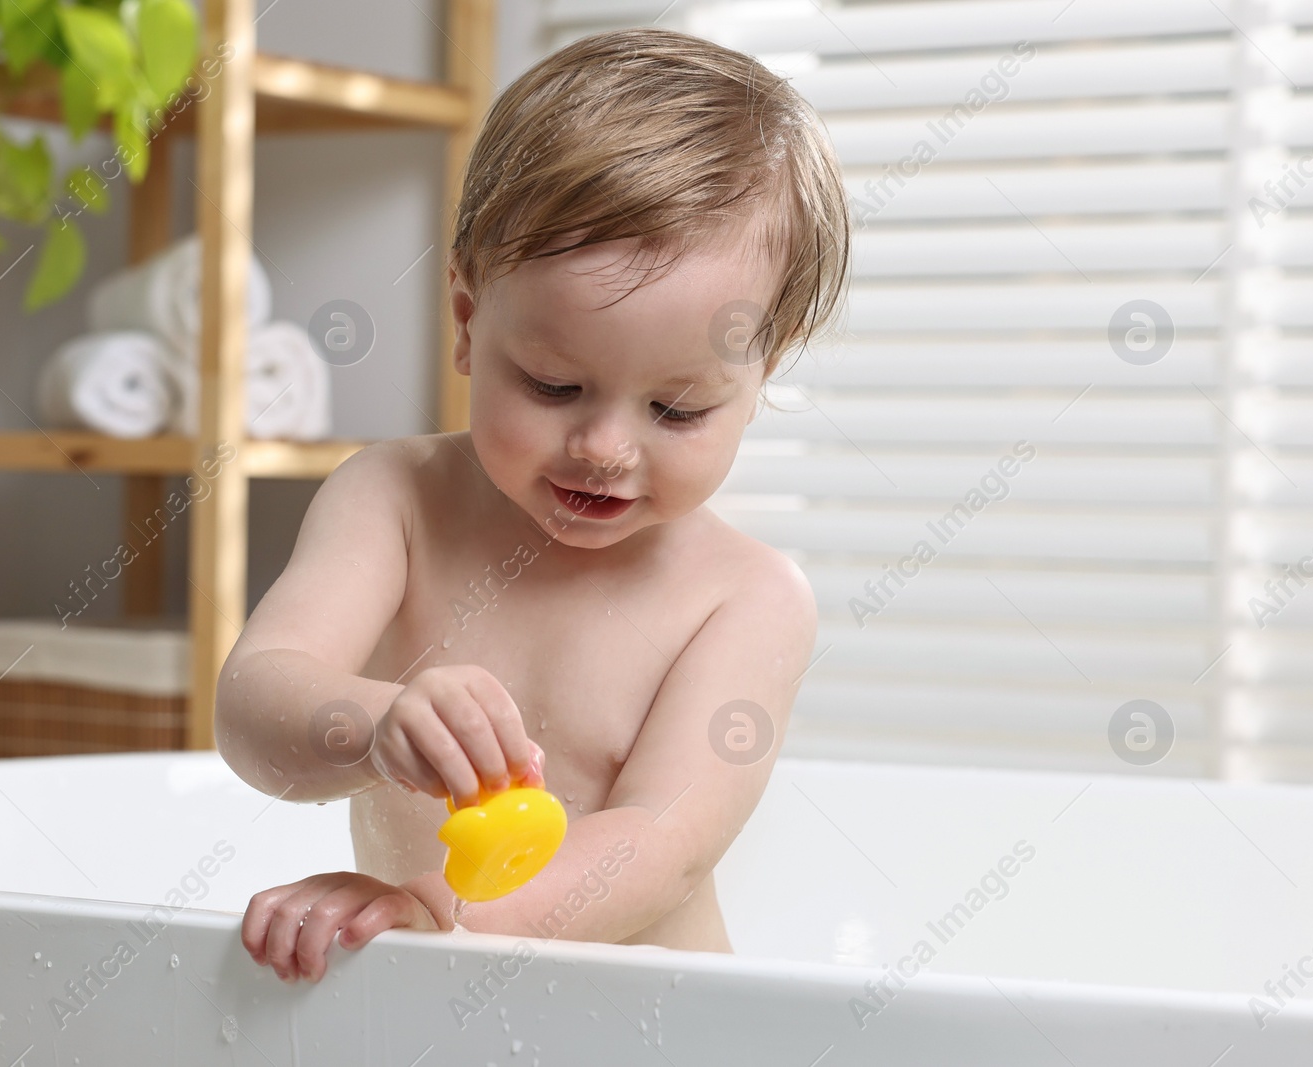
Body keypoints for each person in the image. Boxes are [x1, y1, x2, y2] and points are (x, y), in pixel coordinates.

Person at [215, 25, 850, 984]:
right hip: (422, 1010)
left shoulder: (749, 598)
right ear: (469, 321)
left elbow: (657, 844)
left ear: (764, 368)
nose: (604, 449)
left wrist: (434, 913)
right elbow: (256, 708)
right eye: (554, 385)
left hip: (651, 1037)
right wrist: (375, 724)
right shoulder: (396, 499)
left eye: (676, 407)